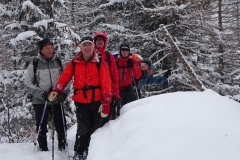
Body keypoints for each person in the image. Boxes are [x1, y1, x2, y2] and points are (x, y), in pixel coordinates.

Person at [47, 36, 112, 159]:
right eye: (84, 45)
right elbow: (65, 77)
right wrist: (57, 89)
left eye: (89, 45)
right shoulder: (74, 62)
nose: (87, 47)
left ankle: (93, 153)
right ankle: (79, 153)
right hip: (81, 101)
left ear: (93, 47)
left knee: (96, 128)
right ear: (80, 47)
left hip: (97, 101)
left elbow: (106, 82)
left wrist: (107, 101)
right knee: (82, 128)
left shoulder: (100, 62)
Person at [24, 38, 68, 151]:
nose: (50, 50)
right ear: (41, 50)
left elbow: (67, 79)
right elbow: (28, 82)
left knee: (61, 125)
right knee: (41, 126)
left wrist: (64, 93)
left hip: (56, 98)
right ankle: (43, 149)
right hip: (40, 100)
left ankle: (63, 147)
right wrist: (42, 94)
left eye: (51, 48)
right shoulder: (35, 63)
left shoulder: (58, 62)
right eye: (47, 48)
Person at [93, 32, 120, 123]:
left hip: (108, 92)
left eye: (102, 40)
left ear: (105, 42)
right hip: (94, 93)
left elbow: (115, 77)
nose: (100, 42)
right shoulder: (90, 55)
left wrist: (116, 94)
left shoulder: (109, 57)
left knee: (109, 121)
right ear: (95, 42)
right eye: (98, 40)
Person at [116, 43, 142, 113]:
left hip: (128, 87)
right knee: (119, 107)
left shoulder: (133, 61)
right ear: (120, 51)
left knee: (134, 104)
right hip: (117, 88)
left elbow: (138, 75)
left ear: (129, 51)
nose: (125, 52)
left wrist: (133, 66)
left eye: (126, 50)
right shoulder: (116, 61)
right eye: (123, 50)